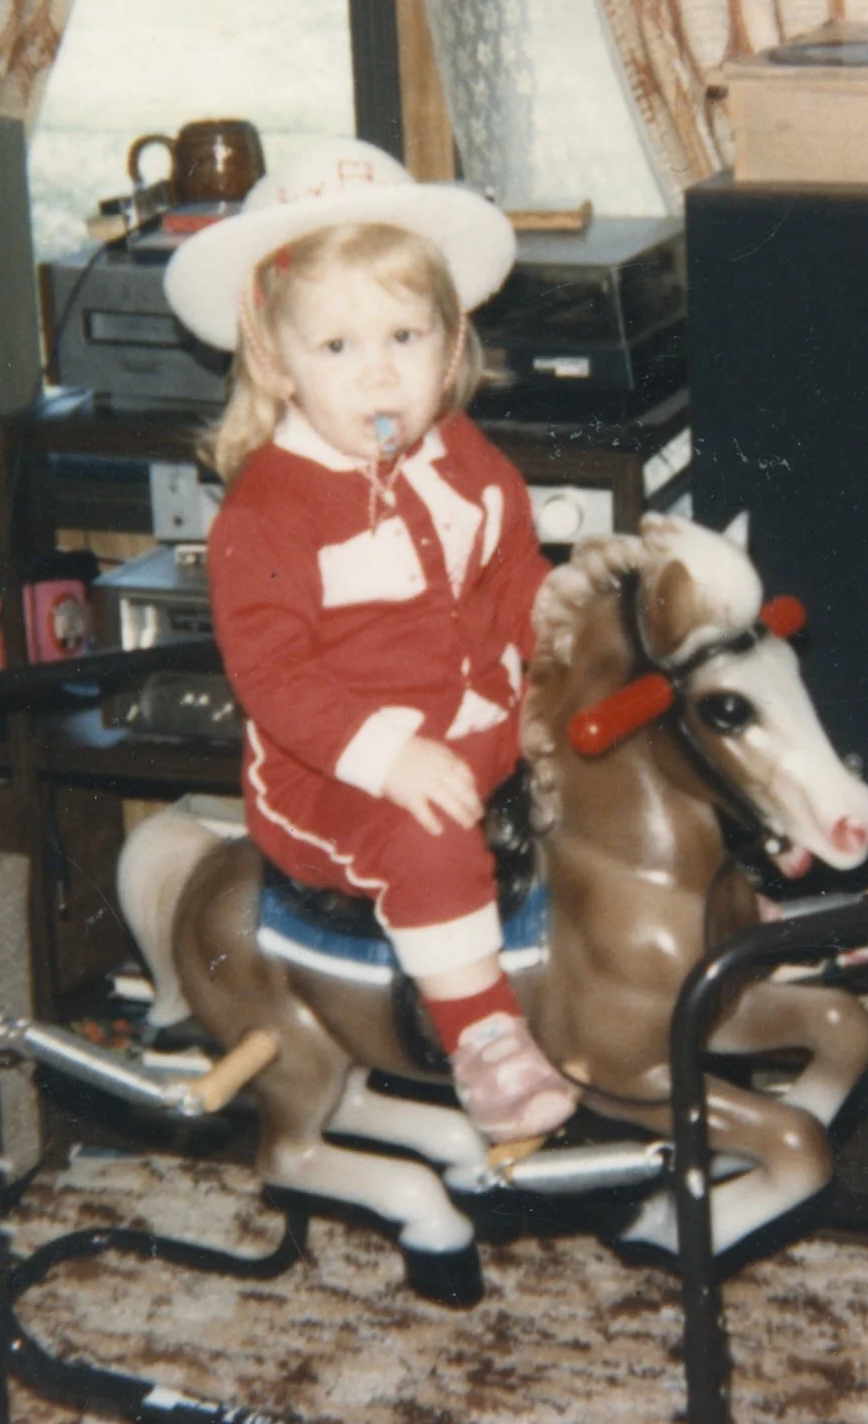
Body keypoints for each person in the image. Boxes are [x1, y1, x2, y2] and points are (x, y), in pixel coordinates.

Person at [163, 138, 578, 1145]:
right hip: (337, 775)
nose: (379, 373)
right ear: (275, 358)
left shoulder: (467, 458)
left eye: (404, 336)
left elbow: (510, 571)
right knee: (426, 837)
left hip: (486, 726)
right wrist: (386, 755)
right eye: (338, 348)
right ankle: (483, 1038)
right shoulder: (266, 512)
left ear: (451, 342)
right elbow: (274, 674)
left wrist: (558, 614)